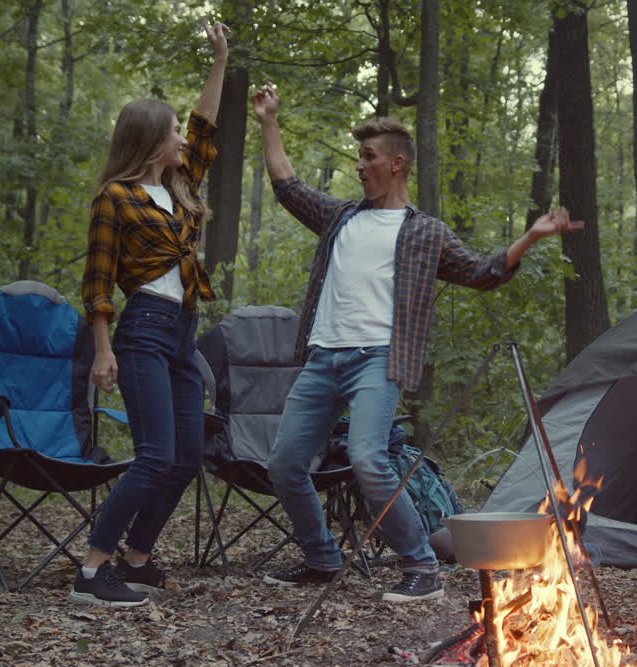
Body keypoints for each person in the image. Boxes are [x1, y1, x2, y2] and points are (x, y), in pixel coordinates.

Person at [250, 81, 584, 603]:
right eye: (360, 157)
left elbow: (482, 272)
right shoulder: (340, 218)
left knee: (367, 458)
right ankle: (321, 558)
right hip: (322, 359)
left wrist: (531, 237)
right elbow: (287, 186)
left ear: (397, 163)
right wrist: (269, 121)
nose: (359, 166)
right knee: (284, 465)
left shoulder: (426, 233)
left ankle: (421, 567)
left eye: (368, 157)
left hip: (378, 361)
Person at [69, 21, 229, 607]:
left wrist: (220, 59)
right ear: (150, 140)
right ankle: (92, 572)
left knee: (186, 458)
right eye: (173, 132)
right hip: (142, 331)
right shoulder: (115, 197)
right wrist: (102, 350)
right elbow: (98, 278)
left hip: (184, 331)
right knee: (155, 455)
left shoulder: (181, 187)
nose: (183, 139)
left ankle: (136, 561)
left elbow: (205, 127)